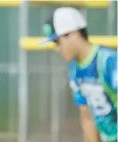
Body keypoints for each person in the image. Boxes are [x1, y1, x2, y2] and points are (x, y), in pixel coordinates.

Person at [41, 7, 117, 142]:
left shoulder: (107, 61)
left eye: (57, 42)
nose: (57, 49)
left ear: (72, 33)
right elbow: (86, 116)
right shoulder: (75, 70)